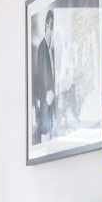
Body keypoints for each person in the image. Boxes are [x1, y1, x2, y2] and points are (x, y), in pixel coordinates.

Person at [32, 9, 57, 144]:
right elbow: (38, 80)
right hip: (45, 102)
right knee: (45, 138)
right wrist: (46, 94)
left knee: (50, 137)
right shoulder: (42, 48)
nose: (52, 29)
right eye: (50, 25)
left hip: (50, 101)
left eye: (53, 26)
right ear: (46, 25)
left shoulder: (50, 49)